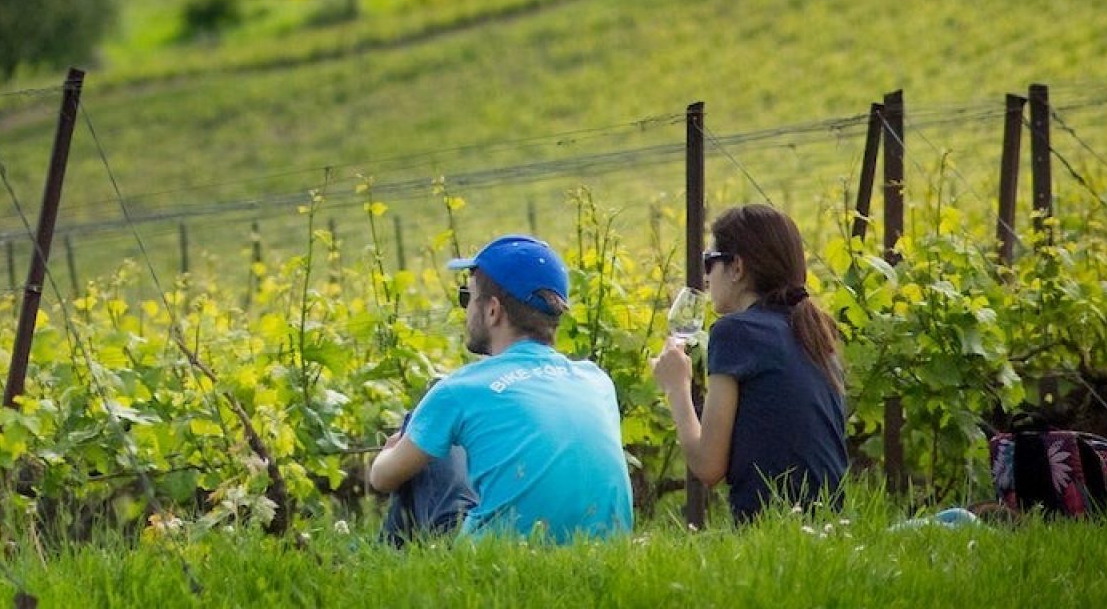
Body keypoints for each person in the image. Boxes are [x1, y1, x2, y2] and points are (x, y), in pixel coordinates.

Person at [365, 234, 635, 542]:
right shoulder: (596, 380)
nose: (465, 310)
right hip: (604, 552)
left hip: (494, 561)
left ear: (493, 310)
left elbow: (381, 478)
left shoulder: (460, 390)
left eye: (467, 297)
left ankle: (396, 575)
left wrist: (395, 449)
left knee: (420, 427)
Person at [649, 200, 851, 518]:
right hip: (830, 526)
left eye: (709, 261)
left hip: (769, 529)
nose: (704, 277)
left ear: (737, 268)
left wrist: (677, 388)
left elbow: (707, 466)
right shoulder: (814, 330)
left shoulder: (735, 332)